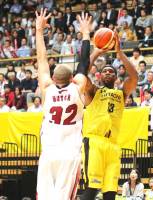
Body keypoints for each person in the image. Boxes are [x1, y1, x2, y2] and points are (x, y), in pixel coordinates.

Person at [36, 9, 92, 200]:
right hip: (70, 155)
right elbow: (84, 62)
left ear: (52, 78)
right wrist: (86, 33)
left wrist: (38, 31)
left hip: (49, 153)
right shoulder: (78, 87)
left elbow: (41, 59)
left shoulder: (46, 88)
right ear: (72, 78)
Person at [81, 33, 138, 200]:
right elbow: (82, 73)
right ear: (100, 76)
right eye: (104, 71)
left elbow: (134, 77)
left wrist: (120, 54)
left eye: (111, 71)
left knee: (110, 193)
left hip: (113, 145)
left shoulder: (121, 93)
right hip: (94, 141)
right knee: (92, 189)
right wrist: (97, 52)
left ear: (115, 77)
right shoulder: (93, 91)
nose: (107, 72)